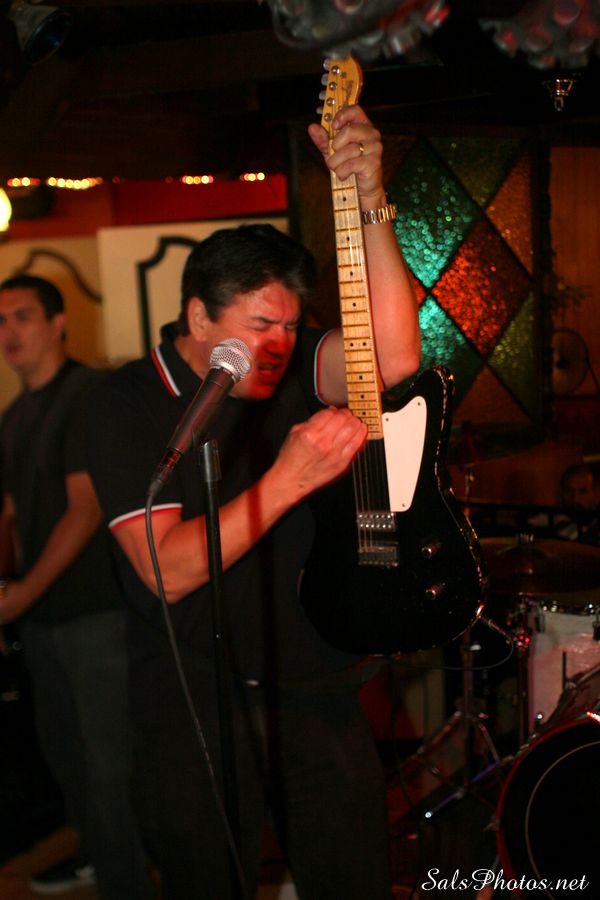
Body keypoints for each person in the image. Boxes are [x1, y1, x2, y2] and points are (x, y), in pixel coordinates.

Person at [84, 104, 421, 900]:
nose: (278, 344)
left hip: (312, 688)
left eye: (290, 327)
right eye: (261, 323)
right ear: (198, 316)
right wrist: (289, 480)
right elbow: (166, 570)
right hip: (194, 701)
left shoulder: (289, 366)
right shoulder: (124, 403)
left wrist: (371, 199)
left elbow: (395, 357)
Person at [0, 275, 154, 899]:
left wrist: (23, 594)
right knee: (65, 754)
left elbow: (84, 510)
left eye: (22, 316)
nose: (8, 331)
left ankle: (126, 884)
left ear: (58, 323)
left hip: (96, 613)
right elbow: (12, 513)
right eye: (0, 320)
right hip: (43, 618)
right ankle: (95, 857)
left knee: (108, 761)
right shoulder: (15, 413)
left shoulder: (86, 394)